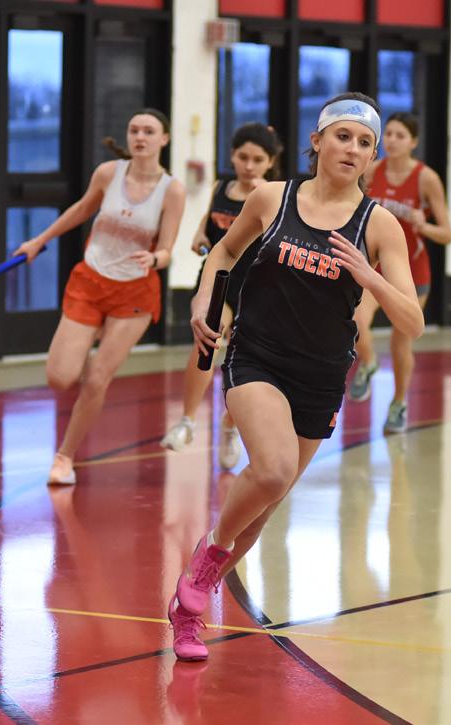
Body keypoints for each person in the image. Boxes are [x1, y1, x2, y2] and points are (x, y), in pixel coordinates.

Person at [165, 93, 423, 662]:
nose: (352, 148)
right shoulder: (272, 197)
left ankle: (186, 614)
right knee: (274, 467)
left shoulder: (379, 225)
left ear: (372, 156)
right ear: (317, 140)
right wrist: (204, 301)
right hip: (256, 355)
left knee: (263, 508)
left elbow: (414, 322)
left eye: (364, 143)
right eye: (343, 136)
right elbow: (222, 254)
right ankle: (207, 559)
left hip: (321, 375)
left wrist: (370, 278)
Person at [14, 109, 186, 485]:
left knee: (96, 380)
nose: (140, 137)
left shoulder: (171, 190)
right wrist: (38, 241)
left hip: (134, 293)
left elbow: (168, 248)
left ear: (164, 139)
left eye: (149, 131)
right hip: (90, 282)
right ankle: (88, 344)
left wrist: (156, 258)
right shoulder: (109, 173)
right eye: (134, 130)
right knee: (60, 378)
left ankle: (64, 457)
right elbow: (81, 209)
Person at [160, 124, 283, 470]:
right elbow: (207, 226)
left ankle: (231, 424)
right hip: (217, 280)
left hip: (256, 288)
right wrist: (200, 236)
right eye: (243, 157)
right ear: (232, 156)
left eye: (257, 159)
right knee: (207, 340)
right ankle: (187, 422)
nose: (249, 165)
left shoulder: (272, 196)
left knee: (244, 362)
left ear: (270, 162)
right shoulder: (220, 186)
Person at [347, 112, 451, 433]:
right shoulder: (372, 171)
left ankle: (398, 403)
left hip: (412, 273)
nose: (392, 141)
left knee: (400, 343)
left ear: (413, 142)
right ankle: (368, 363)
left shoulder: (426, 178)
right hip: (375, 267)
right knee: (356, 321)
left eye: (400, 135)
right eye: (389, 134)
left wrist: (424, 225)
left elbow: (447, 234)